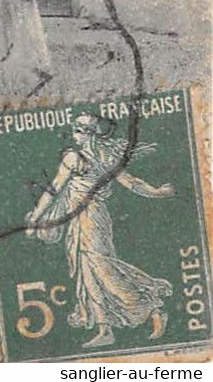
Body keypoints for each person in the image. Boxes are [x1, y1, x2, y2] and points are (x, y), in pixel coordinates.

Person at [24, 113, 175, 349]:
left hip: (90, 219)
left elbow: (54, 189)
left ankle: (150, 308)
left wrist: (35, 216)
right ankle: (105, 329)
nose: (73, 134)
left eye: (76, 129)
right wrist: (156, 192)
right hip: (87, 219)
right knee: (89, 273)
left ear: (84, 133)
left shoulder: (74, 158)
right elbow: (132, 183)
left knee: (103, 270)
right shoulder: (107, 156)